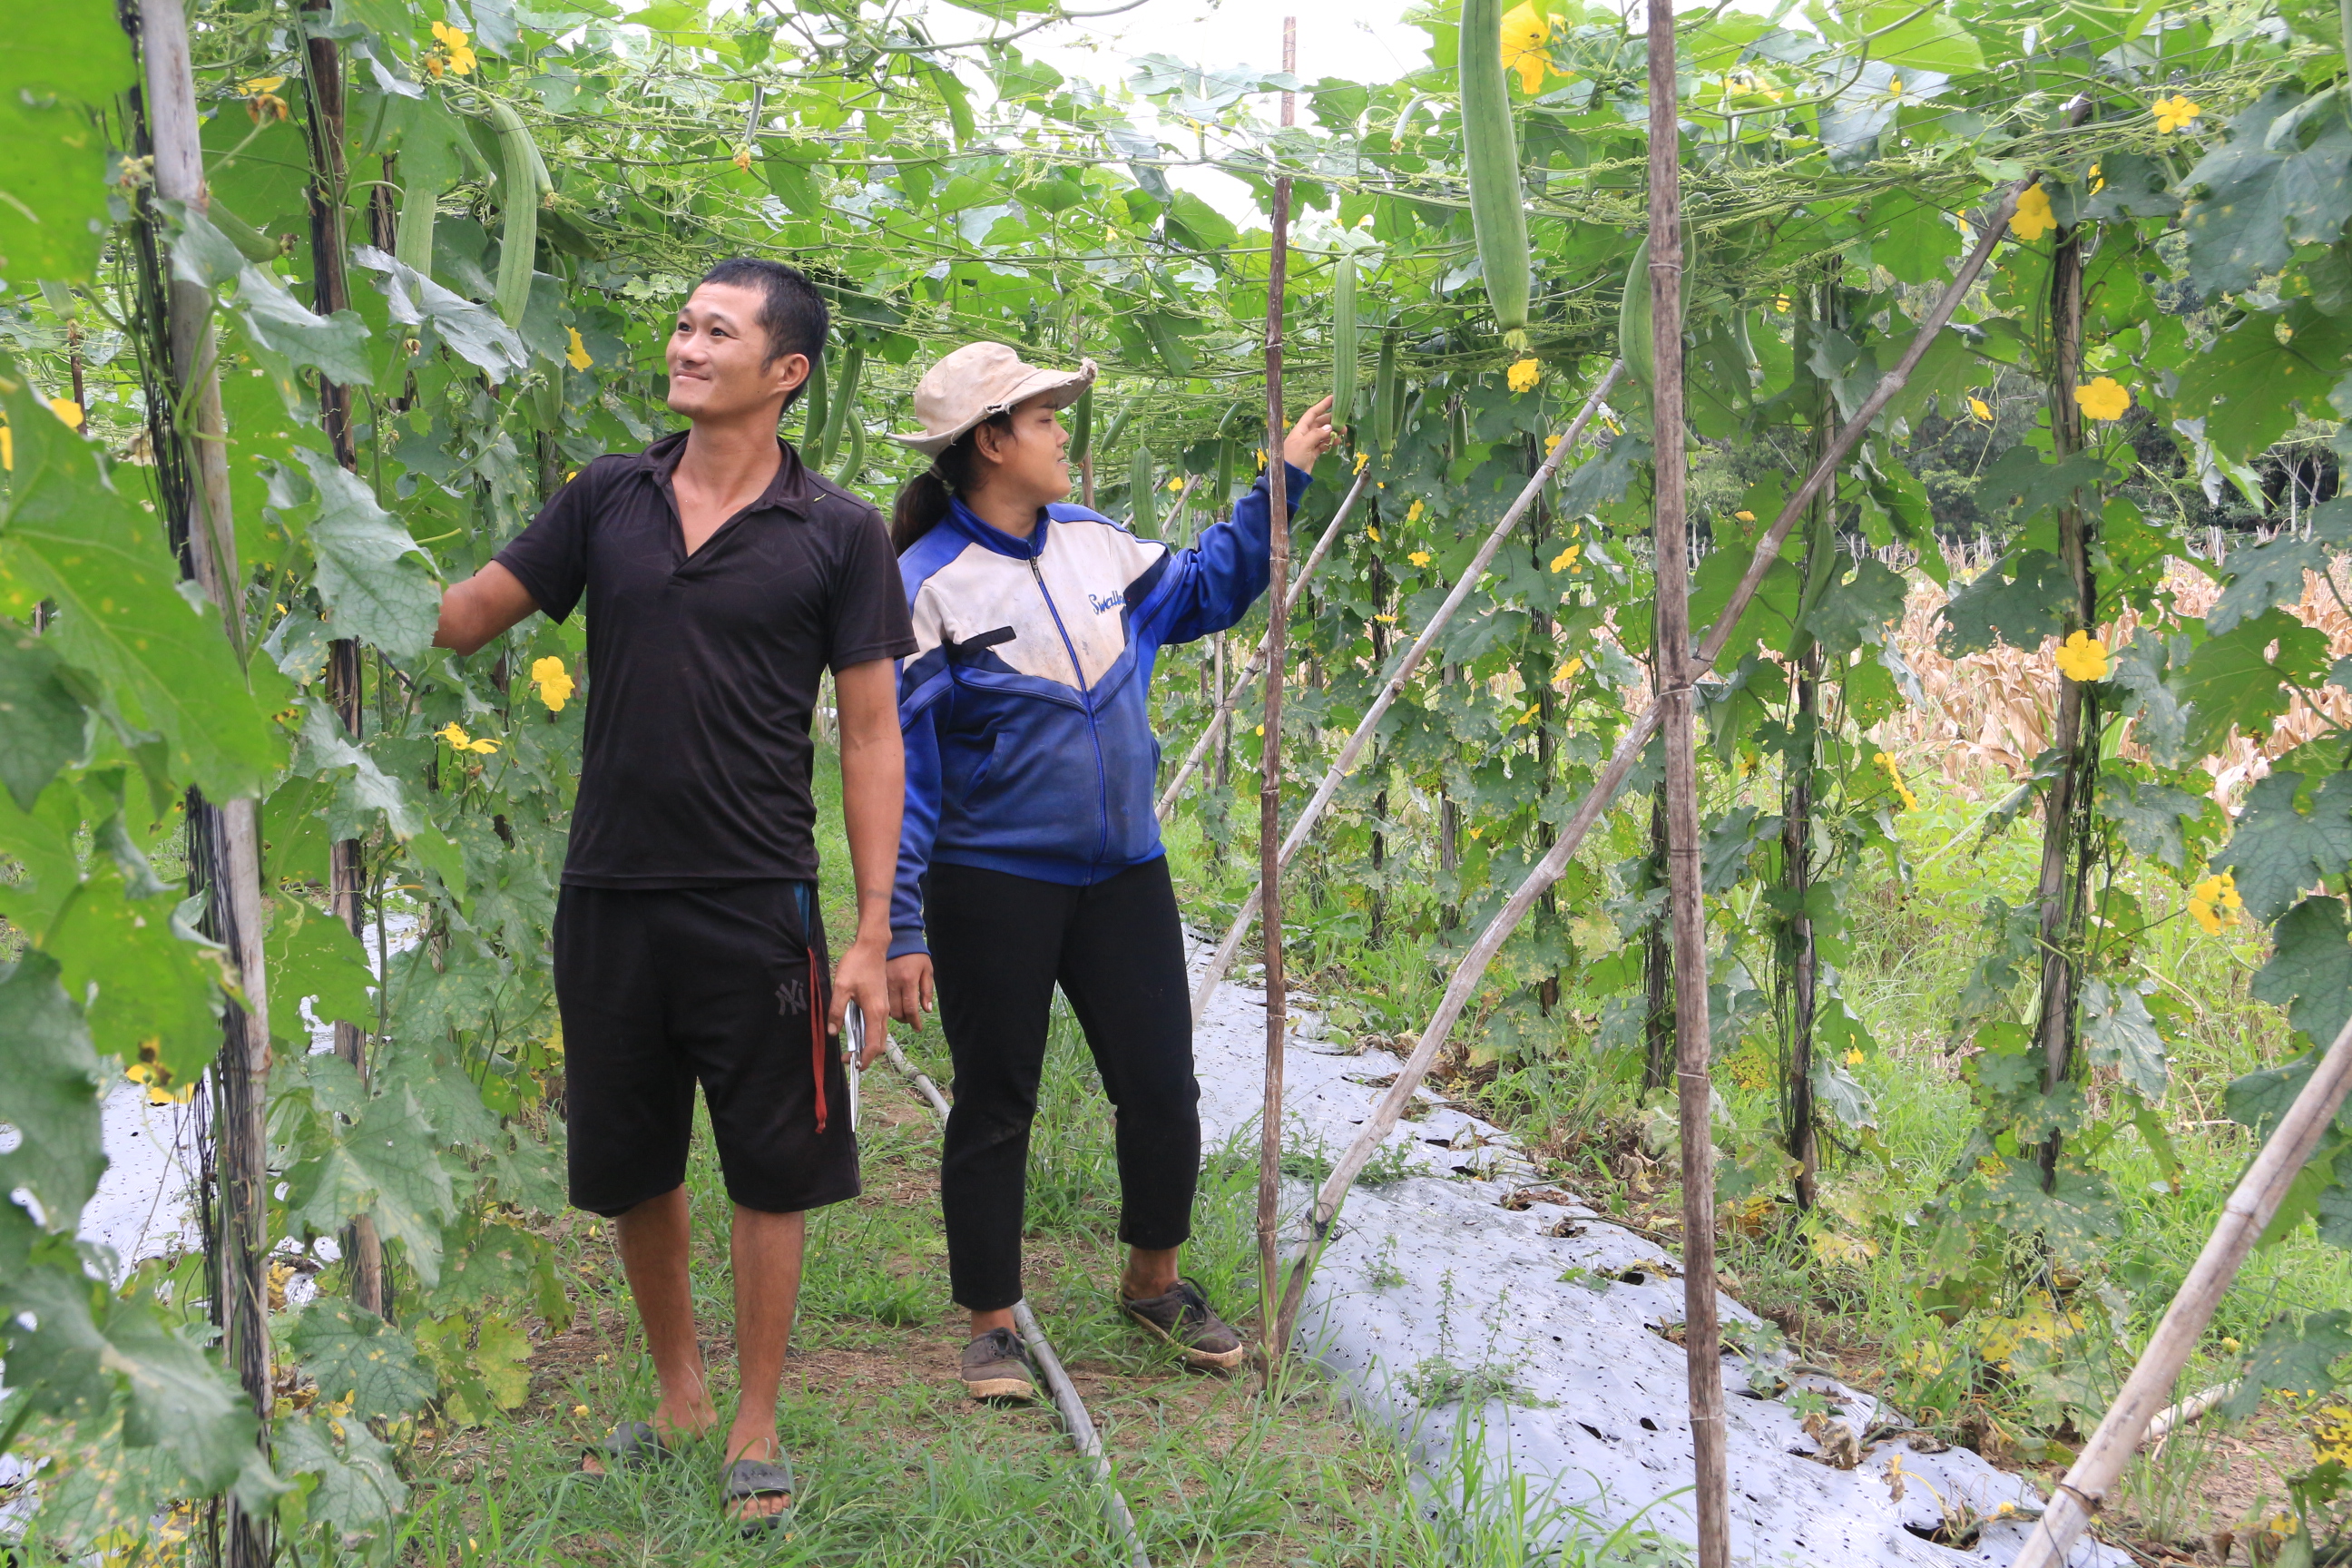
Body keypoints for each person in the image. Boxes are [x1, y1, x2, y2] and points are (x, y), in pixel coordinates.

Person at [430, 259, 911, 1534]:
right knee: (634, 1156)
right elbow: (471, 616)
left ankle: (757, 1419)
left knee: (771, 1163)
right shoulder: (606, 499)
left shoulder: (841, 532)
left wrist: (872, 929)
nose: (684, 343)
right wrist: (330, 553)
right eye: (683, 322)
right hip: (610, 890)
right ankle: (681, 1394)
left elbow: (871, 735)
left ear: (786, 371)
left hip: (758, 896)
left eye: (716, 329)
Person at [880, 339, 1337, 1399]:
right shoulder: (922, 587)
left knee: (1161, 1086)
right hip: (990, 881)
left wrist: (1282, 480)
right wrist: (900, 923)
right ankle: (993, 1323)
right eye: (1044, 421)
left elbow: (1214, 589)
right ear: (991, 444)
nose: (1062, 439)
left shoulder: (1096, 546)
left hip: (1123, 872)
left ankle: (1152, 1282)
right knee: (997, 1101)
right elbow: (902, 770)